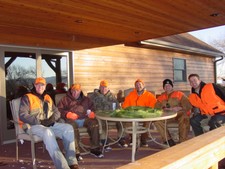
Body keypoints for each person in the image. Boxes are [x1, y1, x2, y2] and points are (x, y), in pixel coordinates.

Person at [19, 77, 79, 169]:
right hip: (33, 126)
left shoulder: (48, 97)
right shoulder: (27, 97)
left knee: (68, 128)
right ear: (34, 85)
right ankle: (63, 166)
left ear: (45, 86)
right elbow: (23, 115)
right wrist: (40, 121)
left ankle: (71, 161)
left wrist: (51, 120)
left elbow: (57, 112)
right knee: (48, 132)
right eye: (37, 85)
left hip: (48, 124)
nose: (40, 87)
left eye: (42, 85)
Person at [57, 83, 104, 158]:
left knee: (94, 123)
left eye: (77, 90)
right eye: (73, 91)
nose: (75, 93)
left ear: (80, 91)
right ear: (71, 90)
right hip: (72, 120)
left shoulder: (86, 99)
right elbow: (59, 110)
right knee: (71, 126)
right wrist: (67, 114)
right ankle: (75, 151)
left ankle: (95, 149)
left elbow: (93, 108)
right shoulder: (65, 99)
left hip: (84, 119)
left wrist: (92, 113)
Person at [90, 80, 128, 148]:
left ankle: (121, 139)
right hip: (100, 116)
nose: (103, 89)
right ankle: (104, 141)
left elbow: (117, 107)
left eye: (105, 87)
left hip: (111, 115)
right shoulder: (93, 96)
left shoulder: (112, 96)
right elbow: (90, 107)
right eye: (102, 87)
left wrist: (119, 112)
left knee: (121, 121)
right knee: (102, 123)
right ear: (99, 87)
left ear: (107, 88)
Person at [154, 79, 192, 145]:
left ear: (172, 86)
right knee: (157, 121)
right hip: (167, 117)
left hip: (178, 115)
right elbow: (156, 109)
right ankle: (168, 140)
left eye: (169, 85)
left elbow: (188, 105)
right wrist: (163, 109)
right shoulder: (161, 97)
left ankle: (183, 140)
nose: (167, 87)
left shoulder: (179, 94)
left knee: (184, 117)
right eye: (165, 86)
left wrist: (180, 108)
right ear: (163, 88)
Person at [122, 79, 157, 147]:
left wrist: (147, 111)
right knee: (127, 121)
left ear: (143, 85)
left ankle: (143, 139)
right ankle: (132, 138)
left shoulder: (149, 95)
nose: (138, 86)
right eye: (136, 85)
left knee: (147, 122)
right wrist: (128, 110)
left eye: (140, 84)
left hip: (144, 114)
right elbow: (125, 105)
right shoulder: (131, 94)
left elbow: (154, 104)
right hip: (133, 114)